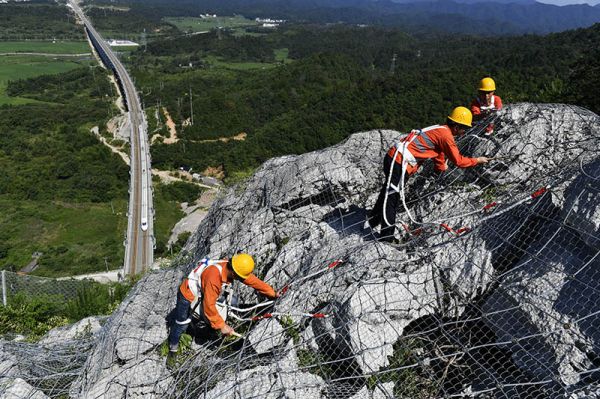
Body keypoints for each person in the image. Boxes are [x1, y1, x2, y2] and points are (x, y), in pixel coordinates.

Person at [366, 106, 491, 242]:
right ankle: (386, 236)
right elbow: (459, 161)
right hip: (398, 163)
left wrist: (440, 169)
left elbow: (439, 154)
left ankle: (372, 221)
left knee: (388, 192)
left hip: (395, 159)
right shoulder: (446, 136)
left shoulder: (441, 130)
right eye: (463, 129)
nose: (463, 132)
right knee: (392, 199)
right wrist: (477, 160)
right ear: (456, 126)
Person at [167, 253, 278, 364]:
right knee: (182, 324)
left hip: (204, 291)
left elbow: (251, 280)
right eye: (239, 277)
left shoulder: (231, 266)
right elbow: (208, 306)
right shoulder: (213, 278)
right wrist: (222, 326)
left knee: (233, 301)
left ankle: (206, 326)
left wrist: (271, 293)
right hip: (187, 295)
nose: (240, 279)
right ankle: (173, 349)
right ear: (234, 273)